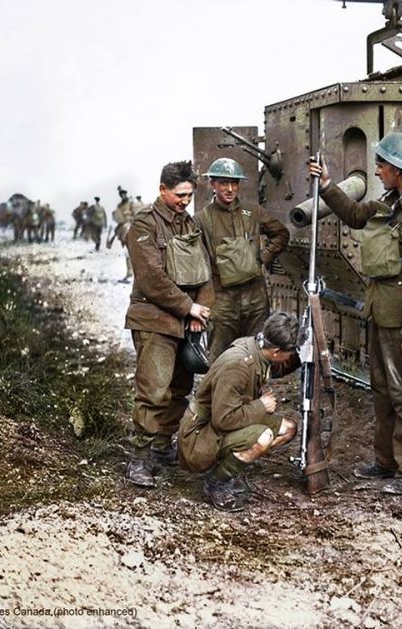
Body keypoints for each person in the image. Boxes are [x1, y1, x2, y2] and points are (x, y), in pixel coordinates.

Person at [308, 132, 402, 496]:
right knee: (383, 391)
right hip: (381, 314)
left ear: (397, 170)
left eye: (382, 165)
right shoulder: (392, 203)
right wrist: (326, 185)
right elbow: (354, 215)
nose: (378, 171)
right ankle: (386, 462)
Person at [124, 160, 214, 488]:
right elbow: (152, 279)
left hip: (186, 322)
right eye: (179, 195)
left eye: (189, 195)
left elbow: (204, 272)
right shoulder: (144, 225)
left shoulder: (189, 224)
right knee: (154, 390)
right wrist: (188, 307)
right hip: (154, 319)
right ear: (162, 190)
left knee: (180, 389)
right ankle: (139, 457)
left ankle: (162, 448)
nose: (184, 201)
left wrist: (200, 312)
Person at [178, 311, 300, 512]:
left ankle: (231, 463)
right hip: (199, 437)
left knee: (288, 429)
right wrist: (261, 405)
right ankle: (216, 482)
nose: (291, 357)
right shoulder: (237, 366)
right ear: (277, 352)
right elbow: (223, 420)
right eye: (291, 353)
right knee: (264, 437)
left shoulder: (256, 347)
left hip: (221, 423)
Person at [194, 158, 289, 360]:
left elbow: (281, 234)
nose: (230, 189)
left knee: (257, 356)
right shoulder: (201, 219)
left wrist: (263, 257)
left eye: (234, 183)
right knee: (219, 359)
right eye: (223, 183)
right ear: (212, 184)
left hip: (255, 300)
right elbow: (196, 264)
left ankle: (255, 393)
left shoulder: (253, 211)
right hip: (222, 304)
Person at [108, 186, 136, 282]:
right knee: (127, 252)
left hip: (132, 229)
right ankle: (129, 273)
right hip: (122, 231)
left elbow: (137, 216)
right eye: (121, 194)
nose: (122, 195)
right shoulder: (119, 206)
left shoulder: (131, 204)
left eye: (124, 193)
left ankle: (133, 274)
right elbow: (116, 219)